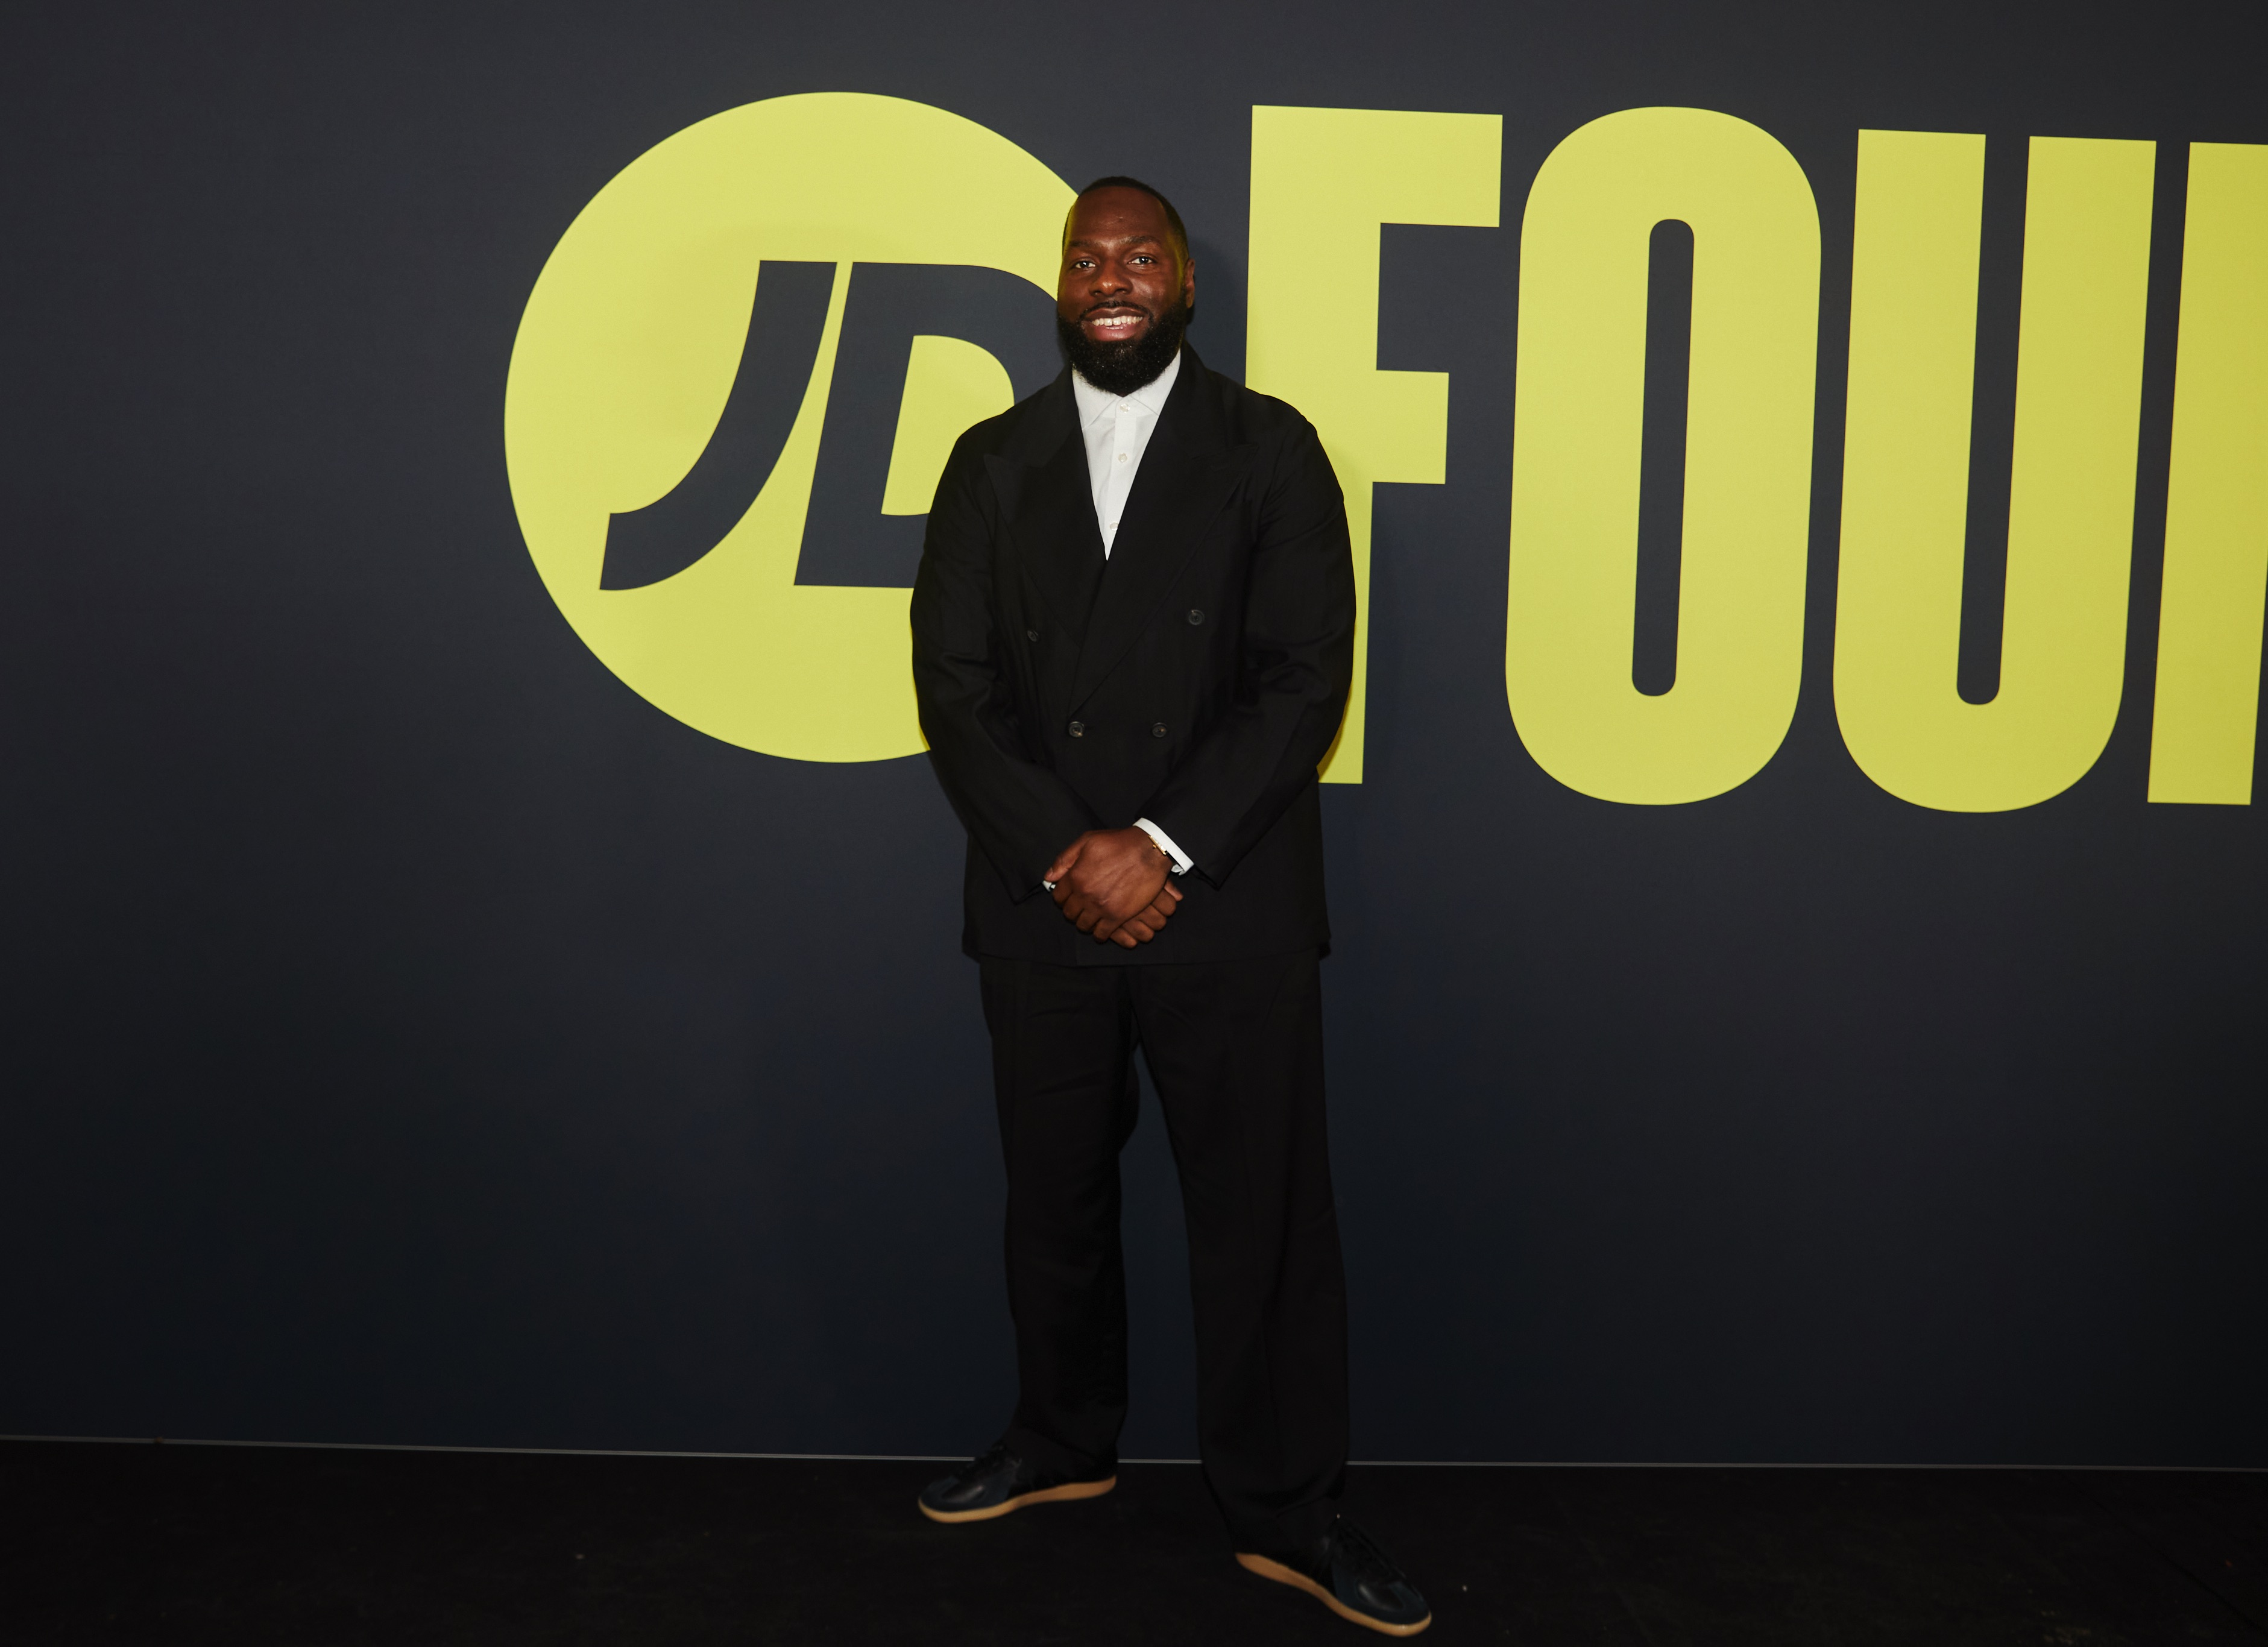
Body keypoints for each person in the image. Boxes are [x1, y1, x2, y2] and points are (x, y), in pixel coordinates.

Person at [907, 175, 1429, 1637]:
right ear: (1059, 285)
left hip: (1230, 899)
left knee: (1262, 1222)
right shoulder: (990, 459)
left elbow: (1303, 679)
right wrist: (1073, 856)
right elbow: (952, 689)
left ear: (1187, 285)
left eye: (1142, 257)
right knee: (1053, 1201)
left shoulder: (1272, 449)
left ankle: (1288, 1508)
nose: (1112, 279)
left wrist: (1160, 845)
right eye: (1088, 259)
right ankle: (1060, 1438)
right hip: (1044, 901)